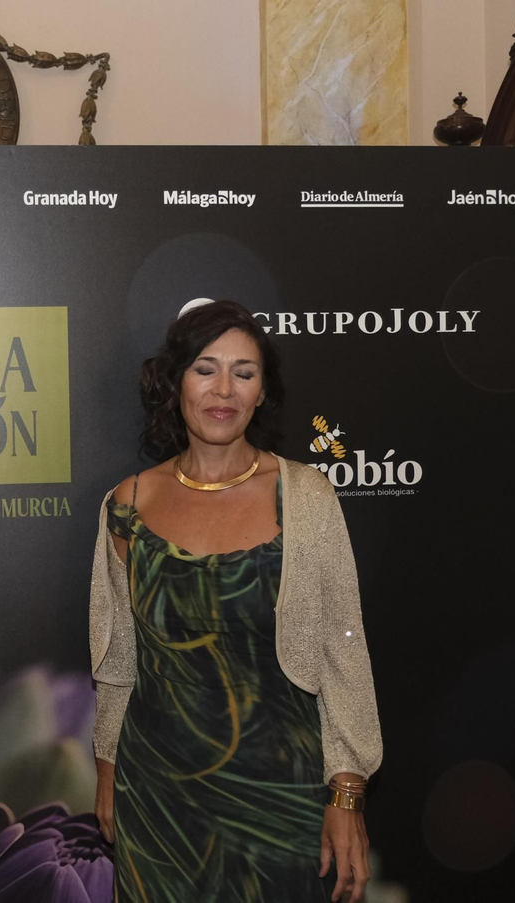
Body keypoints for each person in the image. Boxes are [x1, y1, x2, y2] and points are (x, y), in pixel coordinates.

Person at [88, 299, 382, 902]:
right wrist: (107, 769)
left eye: (244, 372)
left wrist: (346, 792)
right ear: (175, 383)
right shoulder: (127, 505)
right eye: (205, 368)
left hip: (280, 795)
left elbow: (343, 649)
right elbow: (117, 661)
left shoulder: (307, 496)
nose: (224, 389)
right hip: (158, 800)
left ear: (261, 392)